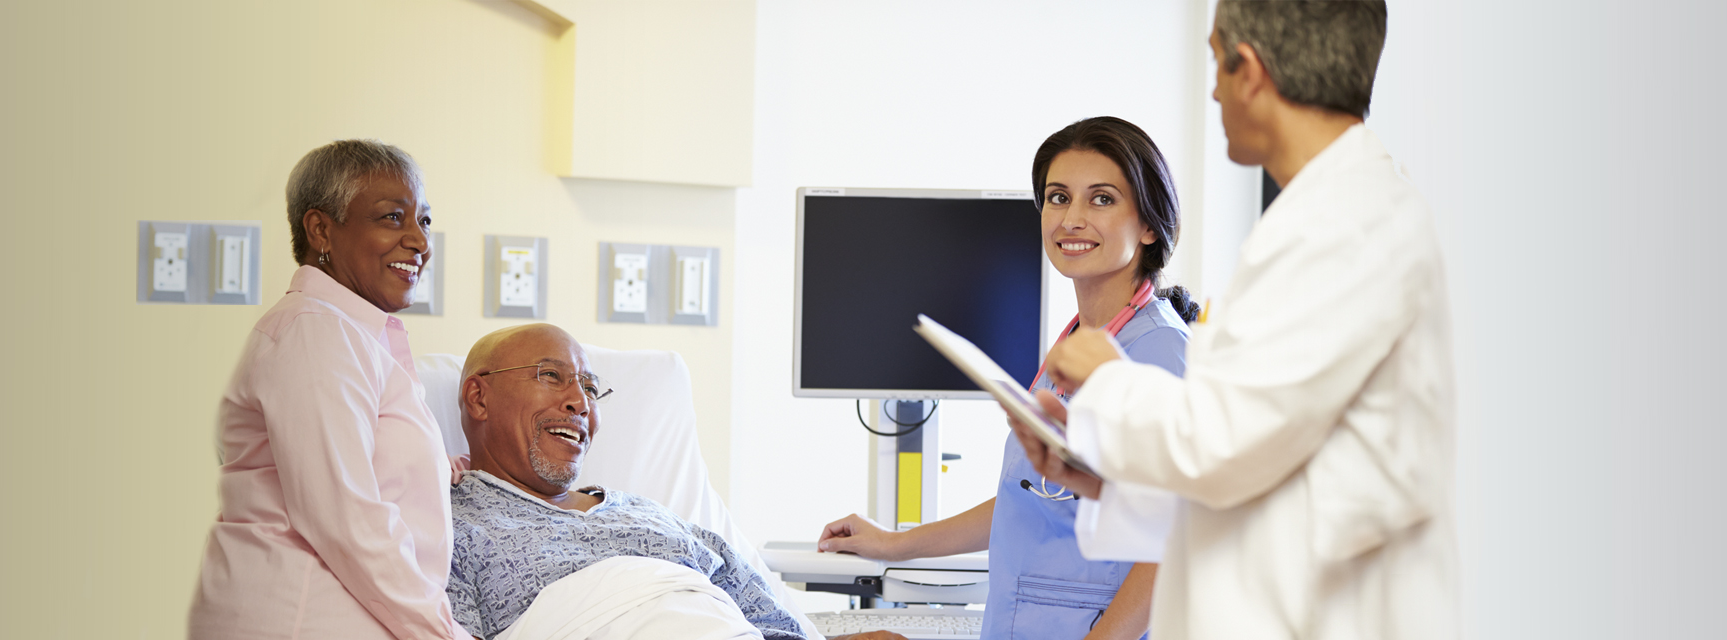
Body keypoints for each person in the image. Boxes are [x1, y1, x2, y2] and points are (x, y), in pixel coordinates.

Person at [1008, 2, 1458, 639]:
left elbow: (1219, 448)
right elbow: (1261, 473)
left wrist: (1108, 377)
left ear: (1247, 69)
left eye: (1217, 60)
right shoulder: (1339, 215)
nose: (1213, 89)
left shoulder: (1341, 231)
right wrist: (1097, 478)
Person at [815, 116, 1199, 640]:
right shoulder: (1073, 343)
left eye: (1102, 199)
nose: (1072, 219)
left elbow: (1176, 535)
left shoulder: (1156, 350)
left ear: (1150, 225)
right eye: (1058, 197)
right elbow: (1029, 497)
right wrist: (894, 543)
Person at [187, 140, 473, 640]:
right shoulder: (314, 334)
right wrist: (445, 634)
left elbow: (344, 464)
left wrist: (432, 465)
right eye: (392, 218)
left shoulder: (350, 334)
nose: (420, 242)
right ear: (321, 229)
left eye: (424, 221)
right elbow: (347, 522)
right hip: (303, 616)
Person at [447, 323, 898, 640]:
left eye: (589, 387)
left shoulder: (649, 514)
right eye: (551, 376)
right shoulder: (448, 524)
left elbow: (766, 616)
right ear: (479, 397)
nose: (579, 402)